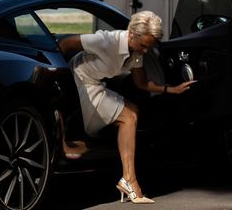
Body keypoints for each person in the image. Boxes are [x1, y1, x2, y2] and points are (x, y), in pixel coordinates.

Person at [58, 11, 194, 204]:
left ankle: (127, 178)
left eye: (149, 47)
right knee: (129, 116)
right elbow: (64, 44)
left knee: (132, 112)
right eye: (143, 45)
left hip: (95, 84)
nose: (145, 51)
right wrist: (58, 84)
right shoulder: (105, 40)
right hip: (78, 82)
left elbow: (142, 83)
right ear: (131, 34)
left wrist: (171, 89)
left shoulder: (136, 51)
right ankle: (129, 180)